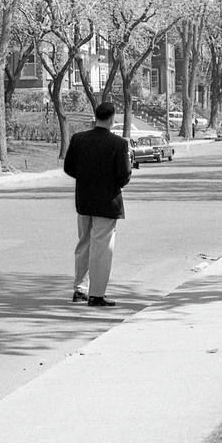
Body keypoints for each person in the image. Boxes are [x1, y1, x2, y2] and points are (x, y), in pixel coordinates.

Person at [63, 101, 132, 307]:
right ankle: (96, 293)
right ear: (111, 118)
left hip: (84, 200)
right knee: (102, 247)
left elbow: (69, 167)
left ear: (96, 116)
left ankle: (80, 288)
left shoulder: (78, 139)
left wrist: (85, 178)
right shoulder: (118, 144)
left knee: (83, 244)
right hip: (107, 202)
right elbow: (124, 176)